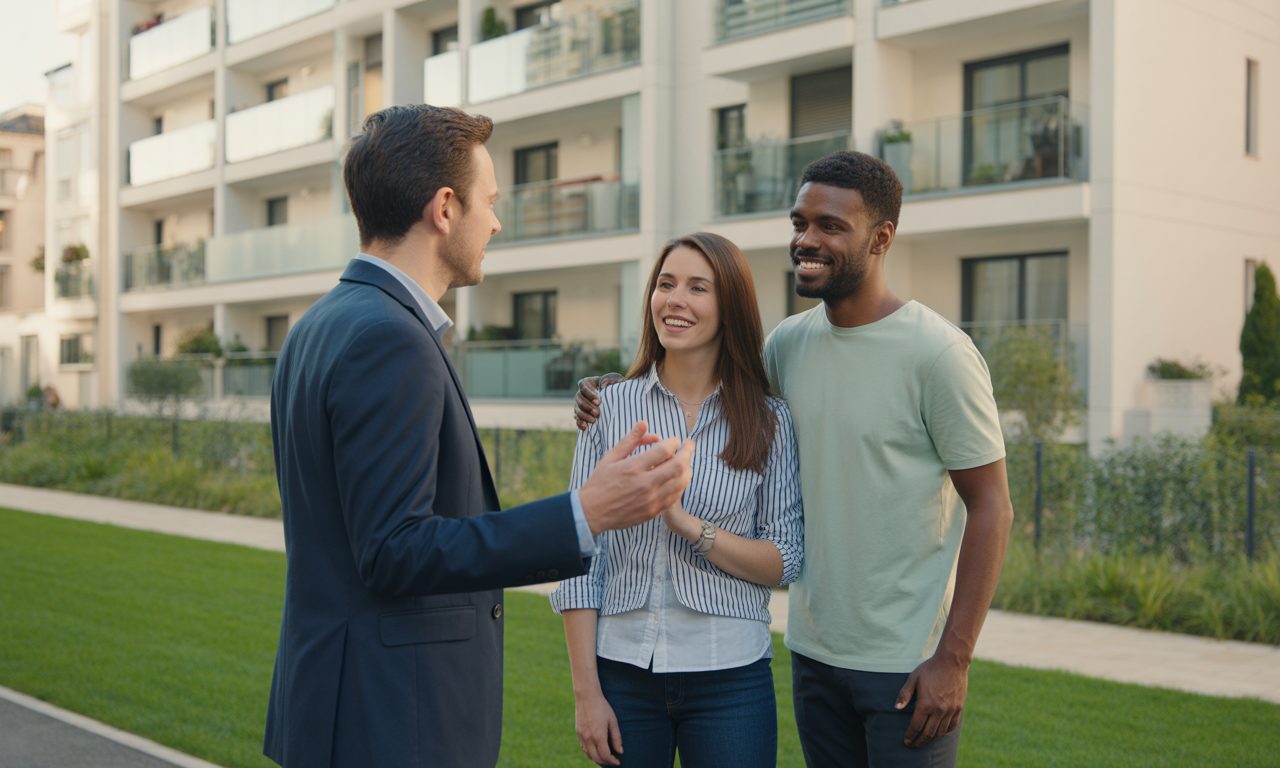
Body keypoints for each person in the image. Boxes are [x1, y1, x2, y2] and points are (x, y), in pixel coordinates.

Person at [264, 104, 695, 768]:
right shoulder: (388, 338)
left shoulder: (318, 325)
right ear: (443, 208)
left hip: (338, 704)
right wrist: (586, 513)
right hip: (392, 720)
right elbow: (394, 550)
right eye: (488, 202)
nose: (496, 221)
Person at [575, 151, 1014, 768]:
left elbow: (992, 505)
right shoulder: (787, 345)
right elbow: (706, 379)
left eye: (831, 226)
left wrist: (954, 657)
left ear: (881, 237)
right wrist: (607, 390)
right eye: (799, 222)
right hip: (813, 655)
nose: (807, 239)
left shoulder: (939, 354)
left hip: (908, 663)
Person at [551, 232, 803, 767]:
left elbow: (785, 560)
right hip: (622, 675)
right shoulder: (609, 409)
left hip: (730, 677)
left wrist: (687, 524)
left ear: (729, 306)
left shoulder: (770, 421)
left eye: (697, 287)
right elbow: (576, 555)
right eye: (665, 284)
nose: (675, 300)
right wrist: (586, 694)